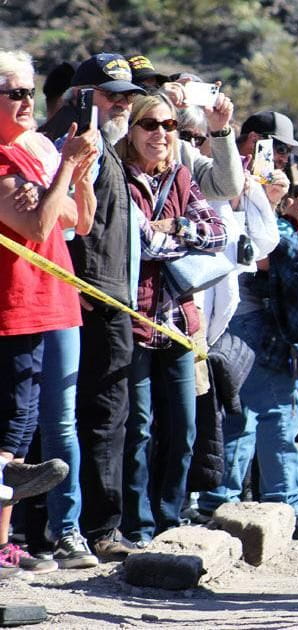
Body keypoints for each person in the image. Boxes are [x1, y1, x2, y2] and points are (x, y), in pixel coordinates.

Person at [197, 110, 298, 542]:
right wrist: (292, 224)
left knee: (240, 414)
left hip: (228, 314)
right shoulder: (231, 179)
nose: (283, 159)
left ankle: (220, 501)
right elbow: (260, 253)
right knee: (275, 412)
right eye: (278, 148)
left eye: (286, 152)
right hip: (251, 313)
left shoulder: (223, 174)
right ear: (255, 139)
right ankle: (285, 503)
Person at [1, 48, 97, 576]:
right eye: (14, 93)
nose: (27, 102)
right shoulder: (3, 159)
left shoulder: (29, 151)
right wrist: (66, 166)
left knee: (23, 431)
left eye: (29, 92)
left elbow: (76, 219)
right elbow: (38, 226)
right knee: (13, 428)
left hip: (45, 303)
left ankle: (7, 543)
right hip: (16, 304)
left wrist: (77, 173)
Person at [116, 94, 227, 544]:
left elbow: (218, 234)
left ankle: (169, 517)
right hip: (135, 319)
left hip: (179, 322)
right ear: (132, 130)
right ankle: (137, 524)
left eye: (169, 126)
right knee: (138, 428)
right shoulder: (118, 176)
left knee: (184, 428)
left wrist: (178, 226)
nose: (160, 133)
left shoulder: (180, 174)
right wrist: (177, 235)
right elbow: (143, 243)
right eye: (150, 124)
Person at [52, 52, 147, 561]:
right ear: (83, 97)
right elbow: (59, 224)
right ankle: (97, 529)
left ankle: (97, 526)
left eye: (128, 97)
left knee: (107, 417)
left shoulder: (103, 146)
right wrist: (75, 285)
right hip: (89, 297)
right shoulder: (73, 141)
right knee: (99, 417)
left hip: (110, 298)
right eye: (112, 96)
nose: (122, 106)